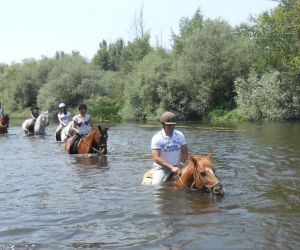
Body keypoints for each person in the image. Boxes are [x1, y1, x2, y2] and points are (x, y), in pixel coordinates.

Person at [151, 111, 189, 185]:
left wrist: (181, 163)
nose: (170, 127)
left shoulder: (180, 135)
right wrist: (171, 167)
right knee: (156, 185)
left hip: (178, 167)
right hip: (162, 169)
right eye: (168, 125)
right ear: (163, 124)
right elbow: (156, 157)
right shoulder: (157, 137)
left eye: (172, 125)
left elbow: (185, 152)